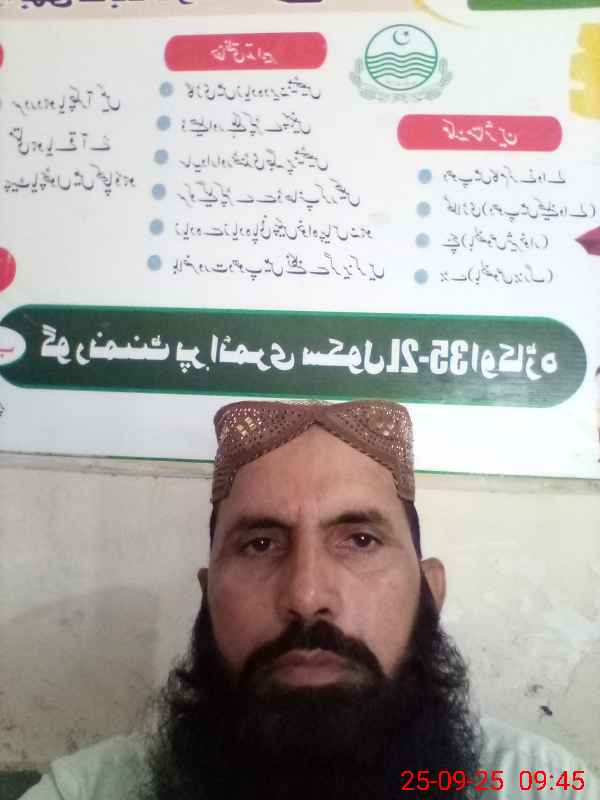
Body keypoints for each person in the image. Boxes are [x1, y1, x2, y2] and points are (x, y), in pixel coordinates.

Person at [20, 400, 599, 800]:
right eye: (260, 544)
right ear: (207, 598)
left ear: (430, 591)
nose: (305, 596)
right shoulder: (87, 791)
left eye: (361, 540)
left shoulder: (543, 785)